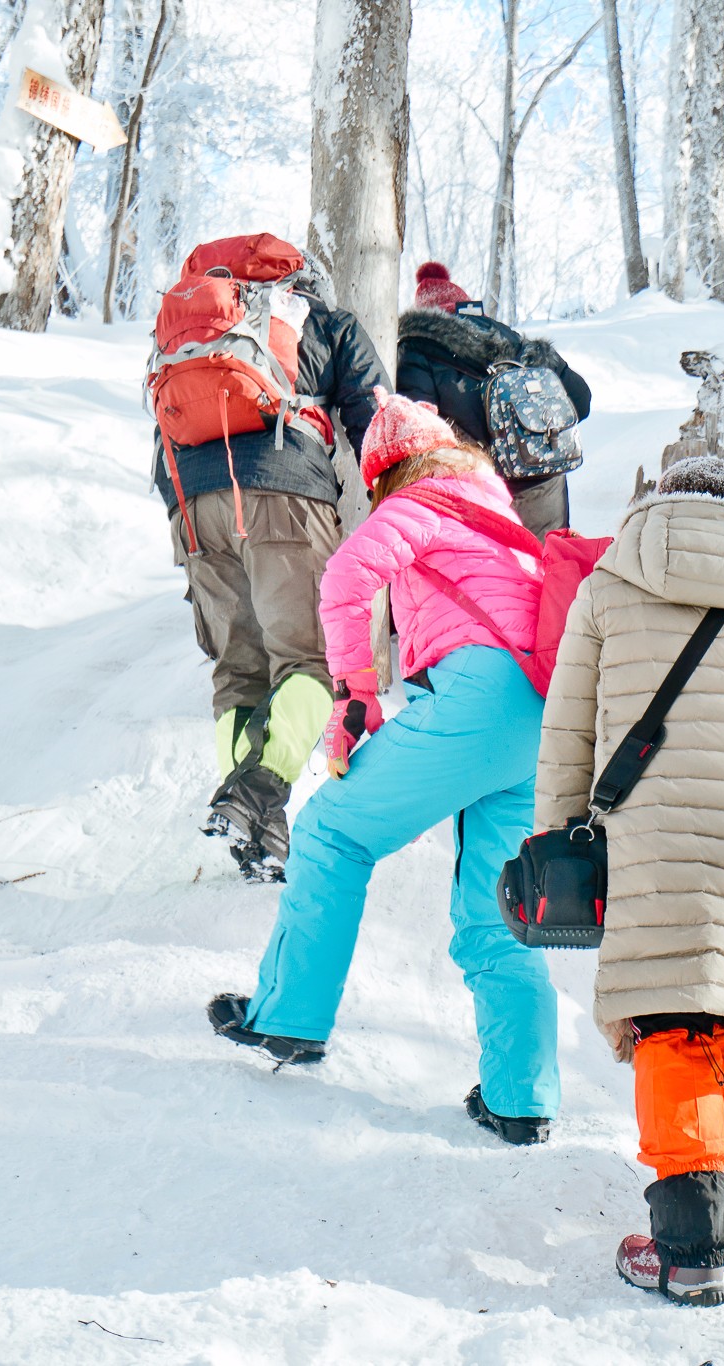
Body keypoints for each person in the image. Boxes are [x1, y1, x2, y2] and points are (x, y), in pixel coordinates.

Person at [207, 390, 559, 1146]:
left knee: (332, 832)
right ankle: (520, 1099)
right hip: (539, 721)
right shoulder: (504, 520)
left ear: (388, 470)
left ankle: (290, 1016)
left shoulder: (423, 499)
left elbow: (343, 579)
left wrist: (355, 693)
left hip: (476, 699)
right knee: (499, 908)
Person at [534, 455, 724, 1306]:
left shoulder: (611, 582)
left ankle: (689, 1248)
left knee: (675, 1025)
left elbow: (567, 731)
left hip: (648, 842)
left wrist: (558, 839)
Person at [153, 240, 388, 880]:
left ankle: (256, 822)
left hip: (193, 506)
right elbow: (378, 425)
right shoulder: (325, 324)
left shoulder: (196, 327)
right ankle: (261, 791)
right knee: (308, 661)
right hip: (285, 496)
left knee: (239, 671)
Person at [397, 262, 593, 539]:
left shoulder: (415, 350)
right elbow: (581, 401)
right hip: (544, 482)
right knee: (545, 574)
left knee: (492, 580)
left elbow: (415, 433)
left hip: (477, 492)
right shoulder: (518, 343)